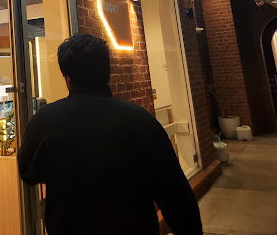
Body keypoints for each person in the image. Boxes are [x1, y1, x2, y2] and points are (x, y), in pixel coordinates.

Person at [18, 34, 202, 235]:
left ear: (67, 78)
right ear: (107, 73)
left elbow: (28, 172)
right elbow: (176, 195)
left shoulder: (46, 119)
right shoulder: (141, 120)